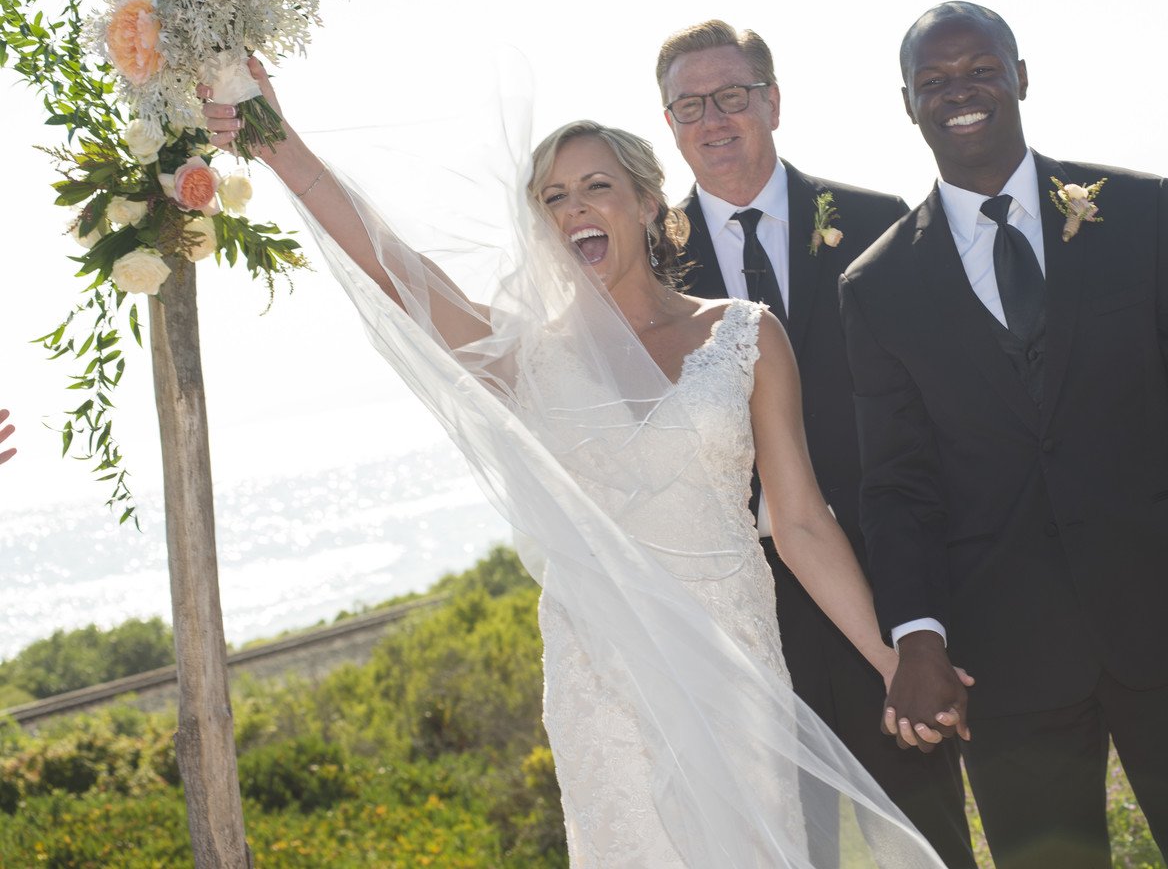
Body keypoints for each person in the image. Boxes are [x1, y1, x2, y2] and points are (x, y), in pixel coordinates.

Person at [199, 63, 950, 867]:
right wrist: (278, 145)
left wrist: (892, 661)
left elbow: (800, 521)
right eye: (553, 199)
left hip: (733, 658)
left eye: (594, 188)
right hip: (604, 676)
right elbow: (396, 268)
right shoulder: (527, 356)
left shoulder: (743, 334)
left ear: (647, 202)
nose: (574, 210)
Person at [839, 1, 1168, 869]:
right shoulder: (877, 285)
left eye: (979, 70)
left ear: (1021, 77)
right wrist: (918, 636)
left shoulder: (1143, 215)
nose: (958, 93)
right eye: (934, 81)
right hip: (1004, 662)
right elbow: (897, 483)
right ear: (907, 103)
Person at [658, 19, 975, 868]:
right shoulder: (649, 266)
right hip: (744, 626)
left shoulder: (882, 223)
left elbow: (943, 420)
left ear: (772, 102)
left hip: (885, 595)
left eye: (732, 96)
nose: (713, 120)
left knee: (927, 844)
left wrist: (924, 623)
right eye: (690, 106)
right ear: (669, 123)